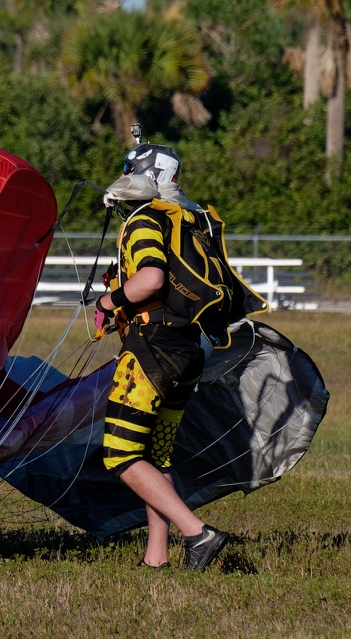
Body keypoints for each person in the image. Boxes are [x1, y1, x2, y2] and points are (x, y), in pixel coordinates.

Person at [92, 141, 263, 572]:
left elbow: (150, 278)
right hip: (188, 350)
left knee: (121, 455)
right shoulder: (187, 220)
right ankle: (156, 557)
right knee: (156, 455)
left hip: (152, 351)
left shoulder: (144, 220)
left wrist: (109, 302)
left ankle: (197, 533)